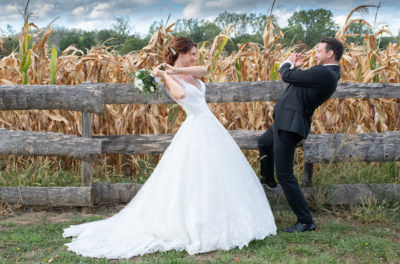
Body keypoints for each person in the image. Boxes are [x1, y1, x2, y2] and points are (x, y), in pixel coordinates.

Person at [63, 36, 276, 259]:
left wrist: (172, 71)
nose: (195, 57)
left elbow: (204, 70)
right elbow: (180, 95)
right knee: (194, 177)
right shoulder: (171, 78)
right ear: (181, 53)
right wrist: (166, 75)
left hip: (211, 128)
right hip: (195, 127)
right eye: (192, 53)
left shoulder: (187, 72)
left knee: (218, 174)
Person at [257, 37, 344, 233]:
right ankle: (268, 179)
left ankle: (305, 221)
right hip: (284, 122)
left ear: (330, 53)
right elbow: (300, 80)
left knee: (285, 174)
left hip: (290, 125)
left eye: (319, 50)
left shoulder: (325, 72)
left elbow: (287, 75)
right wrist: (297, 68)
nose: (316, 53)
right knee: (264, 142)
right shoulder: (324, 73)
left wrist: (287, 63)